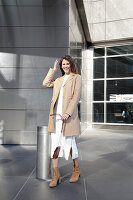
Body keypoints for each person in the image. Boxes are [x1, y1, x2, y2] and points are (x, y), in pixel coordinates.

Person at [42, 55, 82, 188]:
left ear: (71, 64)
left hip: (68, 118)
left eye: (67, 64)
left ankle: (76, 169)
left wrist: (68, 113)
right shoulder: (58, 80)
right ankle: (56, 175)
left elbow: (76, 97)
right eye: (63, 64)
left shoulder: (77, 77)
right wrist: (52, 70)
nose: (65, 66)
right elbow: (46, 83)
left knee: (70, 145)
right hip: (56, 118)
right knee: (55, 145)